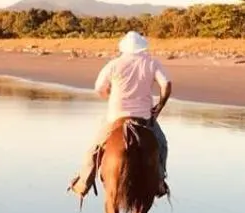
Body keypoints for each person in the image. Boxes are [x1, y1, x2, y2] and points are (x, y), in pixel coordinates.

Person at [68, 31, 171, 200]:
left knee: (94, 147)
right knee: (162, 145)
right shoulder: (152, 63)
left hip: (116, 116)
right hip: (144, 117)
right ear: (142, 47)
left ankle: (83, 183)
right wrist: (159, 106)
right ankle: (160, 181)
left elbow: (99, 88)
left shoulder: (114, 64)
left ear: (123, 48)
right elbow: (166, 84)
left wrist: (110, 97)